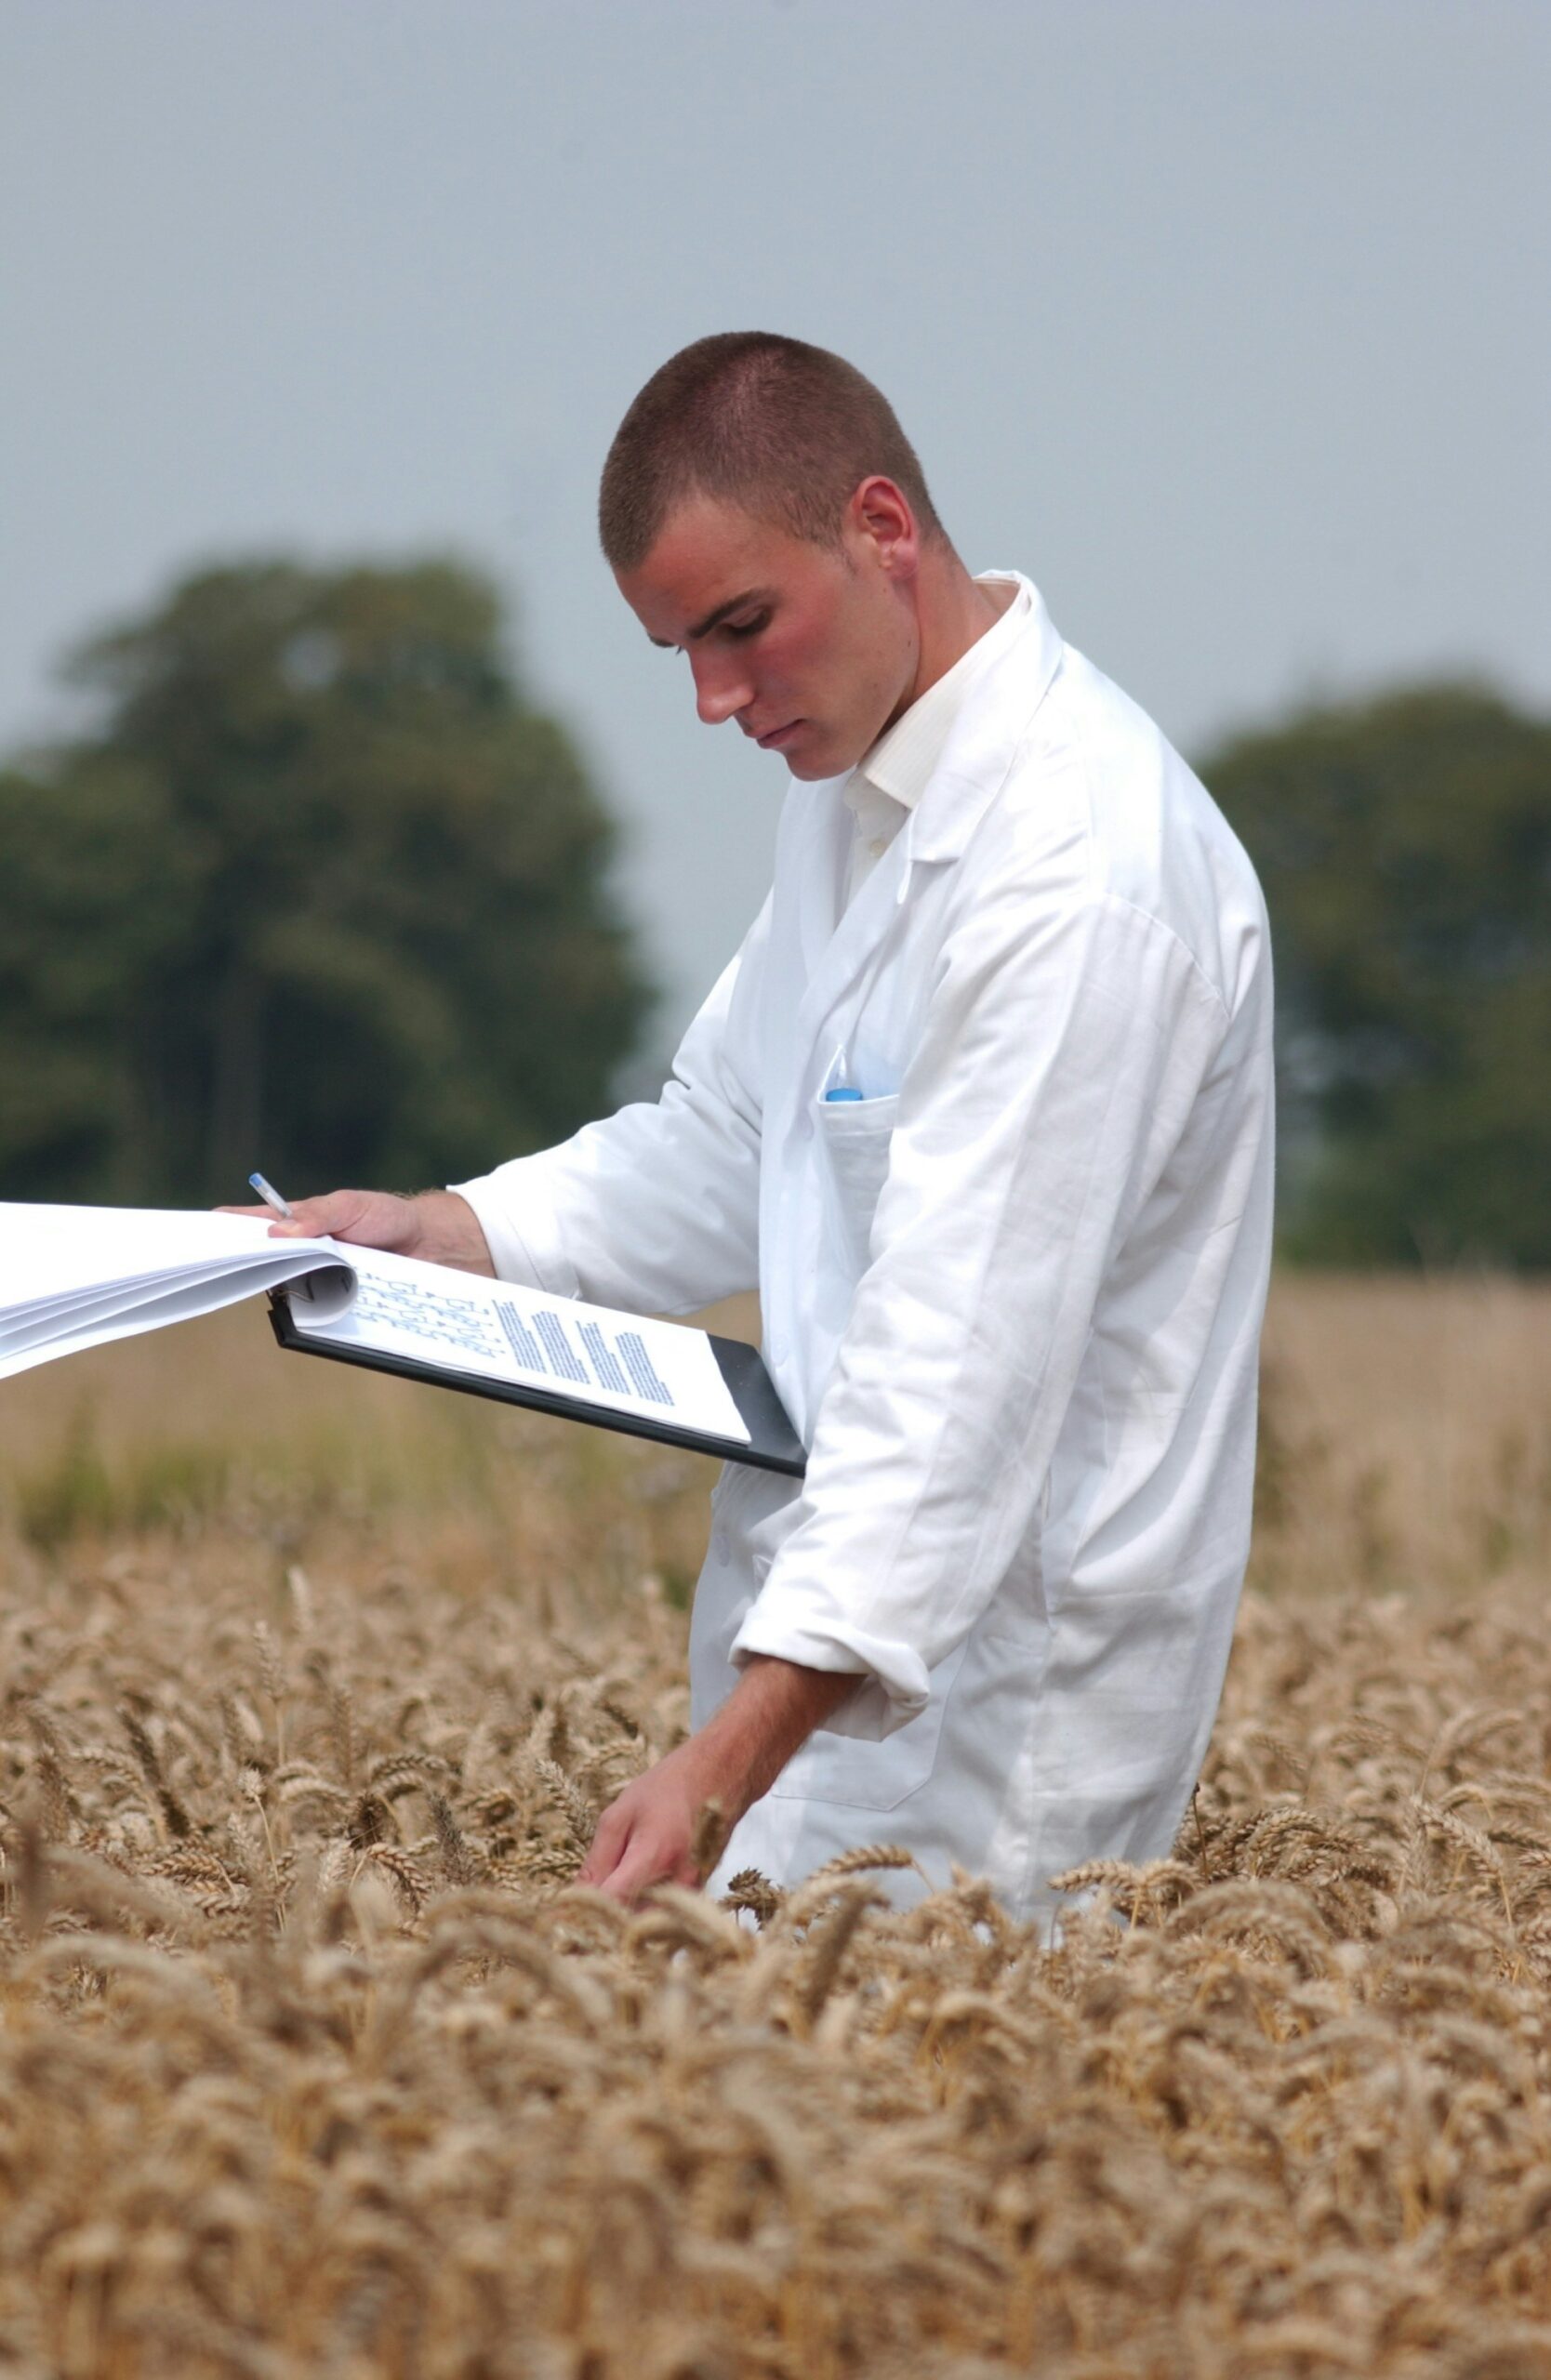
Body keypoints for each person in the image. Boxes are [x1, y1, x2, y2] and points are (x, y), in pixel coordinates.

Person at [251, 332, 1275, 1928]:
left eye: (743, 627)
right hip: (826, 1694)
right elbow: (732, 1135)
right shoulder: (861, 791)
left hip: (1003, 1728)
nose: (720, 699)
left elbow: (954, 1385)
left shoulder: (1077, 878)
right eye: (681, 651)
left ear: (880, 528)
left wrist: (725, 1757)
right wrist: (445, 1230)